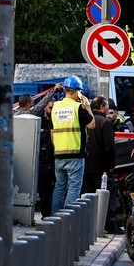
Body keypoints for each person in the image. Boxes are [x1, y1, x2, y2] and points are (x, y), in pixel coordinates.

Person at [51, 76, 95, 213]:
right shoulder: (78, 107)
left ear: (64, 89)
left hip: (58, 154)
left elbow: (53, 130)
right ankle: (67, 218)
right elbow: (92, 124)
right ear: (77, 91)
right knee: (74, 188)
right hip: (75, 154)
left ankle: (54, 218)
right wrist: (87, 106)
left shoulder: (55, 107)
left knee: (59, 187)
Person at [83, 96, 118, 232]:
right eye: (107, 106)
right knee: (107, 196)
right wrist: (111, 164)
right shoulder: (105, 122)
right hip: (102, 168)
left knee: (87, 197)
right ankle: (109, 225)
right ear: (102, 107)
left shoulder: (85, 121)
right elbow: (109, 146)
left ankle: (89, 226)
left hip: (85, 166)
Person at [38, 99, 56, 218]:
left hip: (56, 158)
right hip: (44, 160)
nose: (52, 110)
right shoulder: (40, 122)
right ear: (45, 107)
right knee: (44, 189)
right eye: (50, 108)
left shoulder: (57, 121)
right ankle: (46, 214)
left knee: (58, 187)